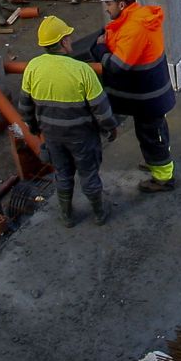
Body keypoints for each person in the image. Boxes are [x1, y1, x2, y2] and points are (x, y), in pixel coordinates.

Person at [79, 0, 177, 192]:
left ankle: (163, 178)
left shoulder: (134, 29)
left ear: (121, 4)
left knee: (152, 136)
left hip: (148, 98)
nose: (106, 8)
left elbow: (117, 66)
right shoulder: (139, 18)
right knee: (152, 132)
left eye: (109, 3)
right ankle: (156, 163)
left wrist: (99, 50)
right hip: (151, 95)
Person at [18, 15, 118, 227]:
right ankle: (99, 214)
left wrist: (35, 129)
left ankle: (66, 216)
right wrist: (110, 128)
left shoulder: (33, 68)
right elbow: (101, 108)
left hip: (52, 137)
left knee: (62, 175)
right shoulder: (82, 70)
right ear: (63, 42)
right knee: (89, 174)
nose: (71, 41)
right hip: (82, 136)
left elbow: (25, 107)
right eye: (69, 38)